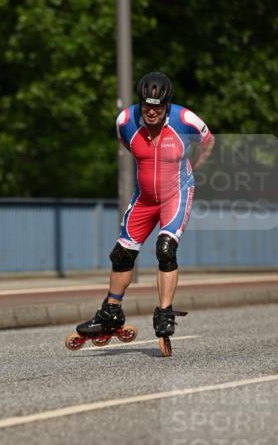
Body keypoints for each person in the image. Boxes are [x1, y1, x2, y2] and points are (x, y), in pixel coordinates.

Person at [75, 71, 215, 347]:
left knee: (165, 249)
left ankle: (164, 312)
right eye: (147, 106)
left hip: (176, 194)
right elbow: (129, 145)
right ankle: (111, 312)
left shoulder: (185, 120)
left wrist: (194, 168)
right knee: (121, 254)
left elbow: (208, 142)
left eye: (158, 107)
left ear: (167, 106)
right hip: (145, 198)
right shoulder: (125, 121)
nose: (151, 112)